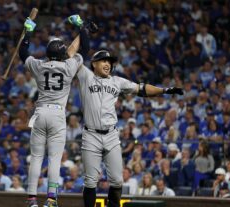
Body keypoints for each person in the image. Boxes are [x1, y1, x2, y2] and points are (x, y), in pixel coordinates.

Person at [70, 39, 182, 207]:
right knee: (90, 181)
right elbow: (70, 54)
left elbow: (141, 88)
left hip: (111, 135)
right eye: (104, 61)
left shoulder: (117, 81)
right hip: (91, 134)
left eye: (110, 61)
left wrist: (164, 90)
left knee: (117, 180)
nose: (108, 64)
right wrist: (82, 33)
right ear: (94, 64)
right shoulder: (86, 76)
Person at [18, 14, 89, 207]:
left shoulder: (39, 66)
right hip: (58, 114)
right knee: (54, 158)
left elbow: (23, 53)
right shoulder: (68, 66)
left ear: (48, 53)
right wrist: (82, 27)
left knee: (36, 158)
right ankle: (51, 199)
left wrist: (28, 32)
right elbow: (85, 48)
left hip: (40, 113)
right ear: (64, 53)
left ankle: (32, 199)